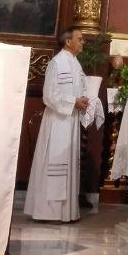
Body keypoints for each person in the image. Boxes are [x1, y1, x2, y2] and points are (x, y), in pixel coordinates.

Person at [24, 27, 103, 223]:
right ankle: (47, 212)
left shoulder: (75, 64)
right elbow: (49, 95)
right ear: (68, 42)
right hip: (57, 121)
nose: (83, 42)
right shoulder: (57, 63)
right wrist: (73, 102)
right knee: (54, 163)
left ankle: (66, 212)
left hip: (70, 121)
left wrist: (85, 100)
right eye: (80, 39)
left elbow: (81, 89)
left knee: (68, 164)